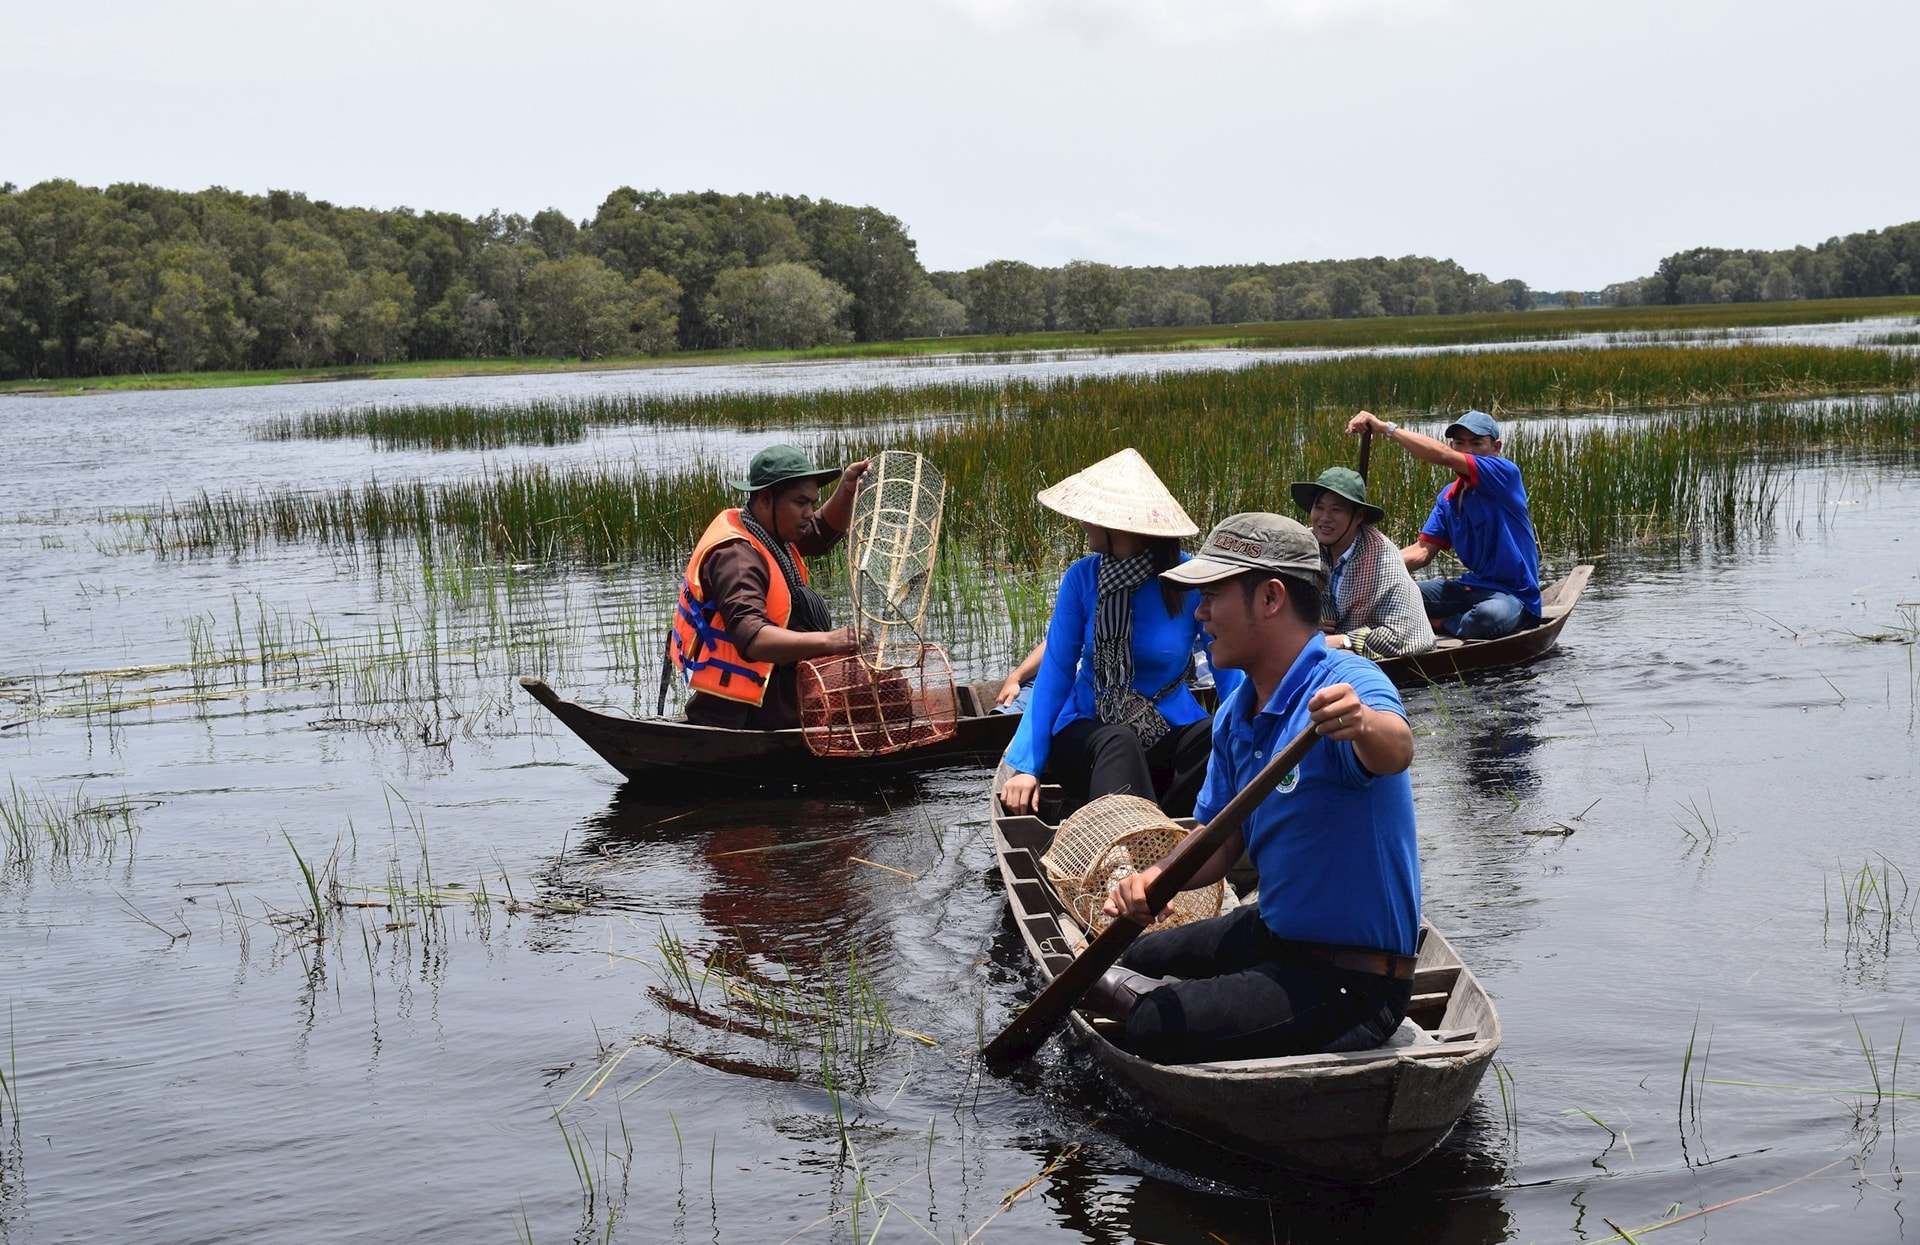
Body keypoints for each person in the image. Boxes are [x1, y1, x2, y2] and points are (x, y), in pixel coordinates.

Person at [1096, 512, 1420, 1066]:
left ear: (1270, 599)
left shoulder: (1348, 683)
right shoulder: (1235, 713)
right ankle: (1133, 986)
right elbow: (1217, 841)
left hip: (1350, 979)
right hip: (1277, 934)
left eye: (1212, 598)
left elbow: (1396, 748)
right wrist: (1153, 878)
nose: (1200, 615)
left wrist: (1362, 723)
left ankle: (1152, 1005)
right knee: (1138, 951)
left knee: (1153, 1025)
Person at [1000, 448, 1230, 819]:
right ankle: (1121, 843)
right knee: (1119, 741)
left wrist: (1253, 736)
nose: (1082, 523)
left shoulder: (1189, 579)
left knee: (1216, 734)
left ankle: (1172, 833)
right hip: (1090, 733)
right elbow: (1057, 671)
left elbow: (1227, 664)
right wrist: (1027, 765)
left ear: (1120, 525)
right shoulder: (1082, 578)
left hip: (1166, 727)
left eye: (1091, 517)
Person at [670, 445, 871, 730]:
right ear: (765, 498)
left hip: (779, 693)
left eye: (812, 503)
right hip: (748, 713)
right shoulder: (736, 557)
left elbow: (820, 532)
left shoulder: (770, 529)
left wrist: (847, 489)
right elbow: (751, 637)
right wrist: (831, 641)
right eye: (800, 503)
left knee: (878, 684)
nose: (808, 513)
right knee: (879, 687)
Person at [1345, 408, 1541, 640]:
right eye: (1459, 443)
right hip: (1471, 588)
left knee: (1488, 617)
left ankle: (1436, 623)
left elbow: (1443, 456)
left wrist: (1386, 428)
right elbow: (1421, 552)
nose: (1467, 450)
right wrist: (1369, 569)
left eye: (1477, 443)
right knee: (1384, 597)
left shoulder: (1504, 474)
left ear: (1495, 447)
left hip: (1513, 595)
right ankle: (1445, 620)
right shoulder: (1448, 497)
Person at [1289, 466, 1435, 660]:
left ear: (1358, 517)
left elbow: (1406, 637)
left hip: (1361, 660)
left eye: (1336, 510)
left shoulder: (1383, 557)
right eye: (1319, 507)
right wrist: (1304, 622)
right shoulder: (1304, 544)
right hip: (1320, 646)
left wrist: (1344, 640)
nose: (1324, 518)